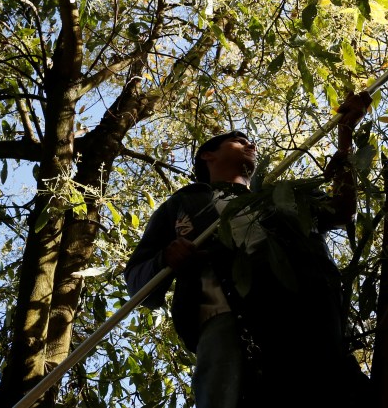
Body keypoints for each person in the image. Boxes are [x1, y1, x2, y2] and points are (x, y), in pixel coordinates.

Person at [124, 92, 372, 408]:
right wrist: (166, 258)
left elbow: (341, 210)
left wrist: (345, 136)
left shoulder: (279, 200)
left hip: (308, 320)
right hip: (229, 324)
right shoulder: (184, 205)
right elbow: (138, 280)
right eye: (239, 140)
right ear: (207, 156)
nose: (251, 145)